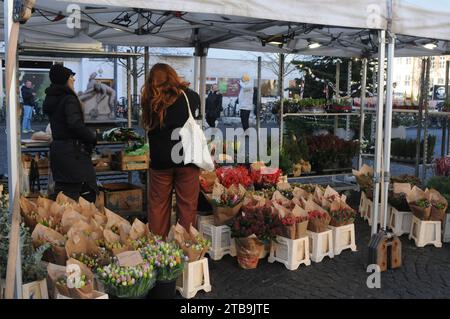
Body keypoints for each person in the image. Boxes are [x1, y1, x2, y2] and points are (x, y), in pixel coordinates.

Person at [141, 63, 201, 238]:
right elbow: (195, 106)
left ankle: (158, 250)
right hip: (186, 159)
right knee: (187, 206)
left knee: (158, 206)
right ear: (172, 77)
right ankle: (185, 248)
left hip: (160, 162)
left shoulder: (149, 101)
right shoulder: (189, 96)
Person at [43, 64, 98, 203]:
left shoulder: (52, 99)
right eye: (71, 76)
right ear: (64, 80)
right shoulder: (68, 99)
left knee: (63, 193)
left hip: (59, 152)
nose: (73, 79)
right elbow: (75, 124)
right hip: (73, 154)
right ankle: (78, 223)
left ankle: (62, 221)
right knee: (84, 194)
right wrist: (92, 136)